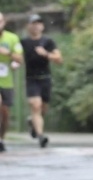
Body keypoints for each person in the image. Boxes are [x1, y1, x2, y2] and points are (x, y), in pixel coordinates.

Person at [21, 14, 63, 148]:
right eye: (33, 23)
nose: (36, 26)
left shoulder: (48, 42)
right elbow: (17, 54)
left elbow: (59, 59)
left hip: (45, 78)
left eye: (38, 23)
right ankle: (41, 137)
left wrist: (46, 54)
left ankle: (34, 124)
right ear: (28, 26)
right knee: (35, 105)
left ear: (43, 26)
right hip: (31, 79)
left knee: (43, 108)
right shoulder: (24, 42)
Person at [0, 12, 24, 153]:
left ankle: (1, 138)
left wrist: (7, 54)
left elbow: (19, 59)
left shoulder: (12, 38)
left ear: (4, 22)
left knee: (5, 113)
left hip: (7, 82)